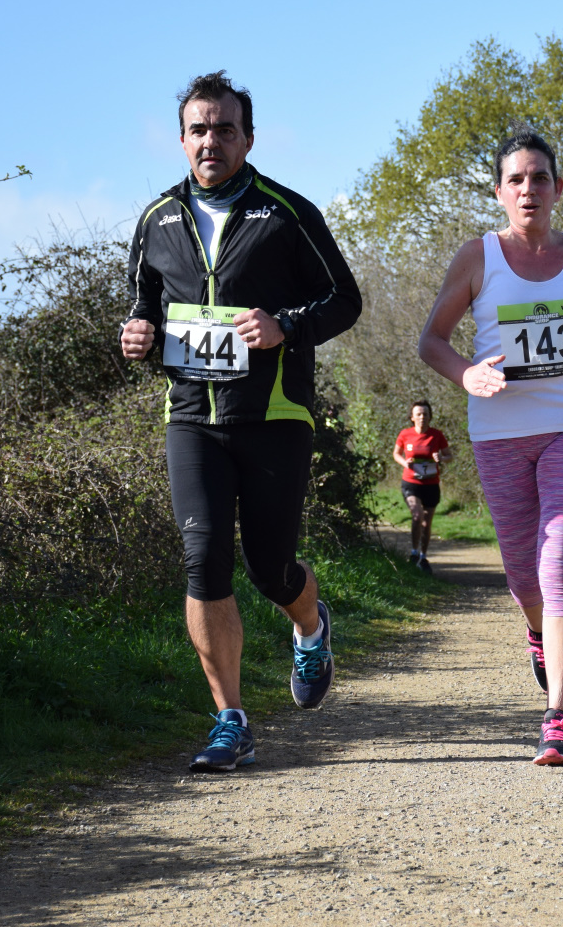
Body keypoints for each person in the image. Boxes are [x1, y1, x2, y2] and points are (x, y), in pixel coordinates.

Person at [120, 71, 361, 773]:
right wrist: (136, 333)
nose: (211, 141)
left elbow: (344, 299)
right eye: (199, 129)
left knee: (269, 566)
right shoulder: (157, 220)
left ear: (248, 138)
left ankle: (310, 626)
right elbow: (143, 306)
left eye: (225, 129)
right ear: (181, 140)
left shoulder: (286, 213)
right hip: (191, 417)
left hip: (273, 415)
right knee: (203, 560)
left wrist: (285, 325)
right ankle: (231, 720)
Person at [419, 130, 563, 765]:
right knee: (522, 572)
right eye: (516, 179)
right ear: (498, 192)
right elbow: (431, 340)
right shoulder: (477, 257)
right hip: (500, 433)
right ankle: (538, 631)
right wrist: (466, 375)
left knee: (559, 556)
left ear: (558, 188)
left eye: (540, 177)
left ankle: (558, 717)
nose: (528, 189)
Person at [393, 399, 452, 572]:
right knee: (417, 515)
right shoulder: (405, 434)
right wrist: (406, 463)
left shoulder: (436, 435)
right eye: (418, 414)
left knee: (426, 523)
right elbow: (396, 454)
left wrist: (441, 458)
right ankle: (413, 552)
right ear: (412, 417)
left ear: (430, 416)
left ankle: (423, 557)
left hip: (431, 484)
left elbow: (449, 456)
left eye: (425, 414)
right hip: (411, 483)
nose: (422, 417)